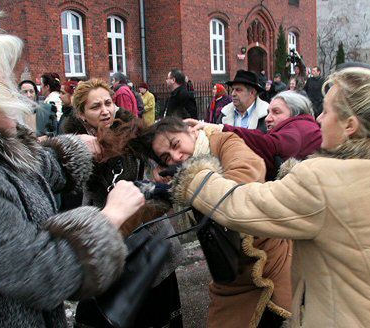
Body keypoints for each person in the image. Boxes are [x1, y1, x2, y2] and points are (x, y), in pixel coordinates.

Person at [0, 3, 146, 327]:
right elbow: (39, 273)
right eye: (5, 90)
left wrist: (76, 151)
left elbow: (29, 169)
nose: (17, 98)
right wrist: (109, 218)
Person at [170, 66, 370, 327]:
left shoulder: (324, 180)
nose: (319, 119)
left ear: (350, 126)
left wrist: (192, 178)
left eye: (327, 111)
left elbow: (241, 206)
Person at [130, 117, 292, 328]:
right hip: (231, 274)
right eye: (166, 157)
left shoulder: (224, 142)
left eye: (176, 144)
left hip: (273, 260)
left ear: (191, 131)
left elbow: (246, 175)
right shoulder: (180, 176)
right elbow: (146, 213)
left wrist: (183, 188)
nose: (176, 157)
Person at [63, 79, 184, 328]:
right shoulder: (74, 149)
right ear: (82, 114)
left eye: (108, 103)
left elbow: (165, 162)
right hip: (109, 240)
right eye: (95, 107)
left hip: (149, 240)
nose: (105, 110)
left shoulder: (134, 132)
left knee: (155, 314)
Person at [187, 91, 321, 181]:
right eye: (268, 112)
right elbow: (261, 136)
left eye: (276, 112)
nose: (268, 118)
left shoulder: (298, 128)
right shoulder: (301, 126)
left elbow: (266, 144)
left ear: (296, 114)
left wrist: (217, 129)